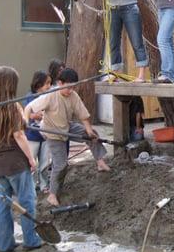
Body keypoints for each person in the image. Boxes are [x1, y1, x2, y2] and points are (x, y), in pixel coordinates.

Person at [24, 68, 111, 207]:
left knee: (92, 133)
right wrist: (25, 120)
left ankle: (100, 162)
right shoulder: (50, 95)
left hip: (66, 126)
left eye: (73, 87)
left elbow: (83, 114)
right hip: (52, 133)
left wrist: (89, 131)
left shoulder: (73, 96)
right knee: (61, 164)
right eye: (68, 87)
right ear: (60, 83)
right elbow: (28, 108)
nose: (70, 90)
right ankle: (52, 195)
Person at [0, 66, 42, 252]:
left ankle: (4, 244)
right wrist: (31, 159)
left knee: (2, 205)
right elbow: (19, 135)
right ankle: (31, 240)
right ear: (9, 85)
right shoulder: (13, 107)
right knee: (26, 202)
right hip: (15, 164)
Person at [22, 70, 52, 193]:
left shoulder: (49, 96)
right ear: (38, 84)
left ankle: (44, 185)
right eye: (47, 83)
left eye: (50, 83)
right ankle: (32, 186)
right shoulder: (30, 97)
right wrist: (34, 115)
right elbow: (26, 113)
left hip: (45, 135)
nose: (49, 86)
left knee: (45, 163)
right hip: (32, 136)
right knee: (32, 163)